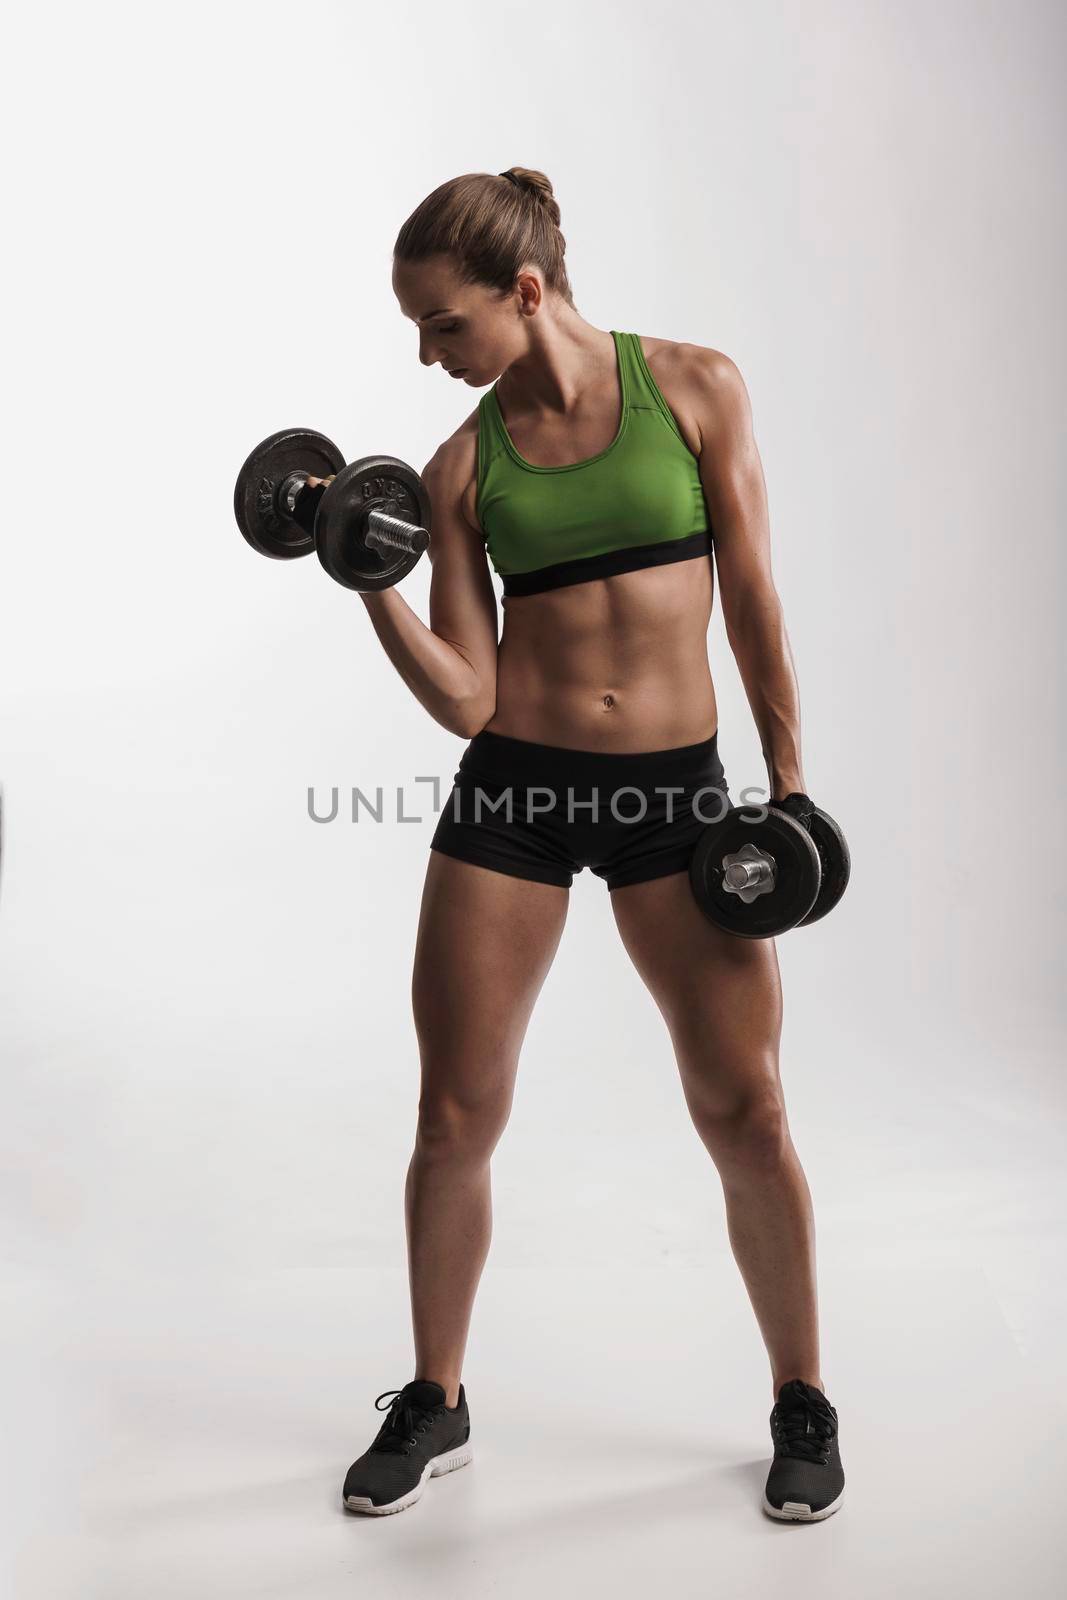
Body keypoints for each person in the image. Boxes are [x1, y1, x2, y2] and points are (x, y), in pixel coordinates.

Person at [339, 166, 844, 1522]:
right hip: (514, 795)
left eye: (442, 325)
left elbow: (754, 602)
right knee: (456, 1113)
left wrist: (786, 792)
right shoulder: (459, 470)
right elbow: (471, 696)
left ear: (524, 289)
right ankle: (436, 1398)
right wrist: (372, 579)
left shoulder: (695, 388)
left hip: (675, 803)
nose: (427, 356)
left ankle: (802, 1398)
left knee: (748, 1110)